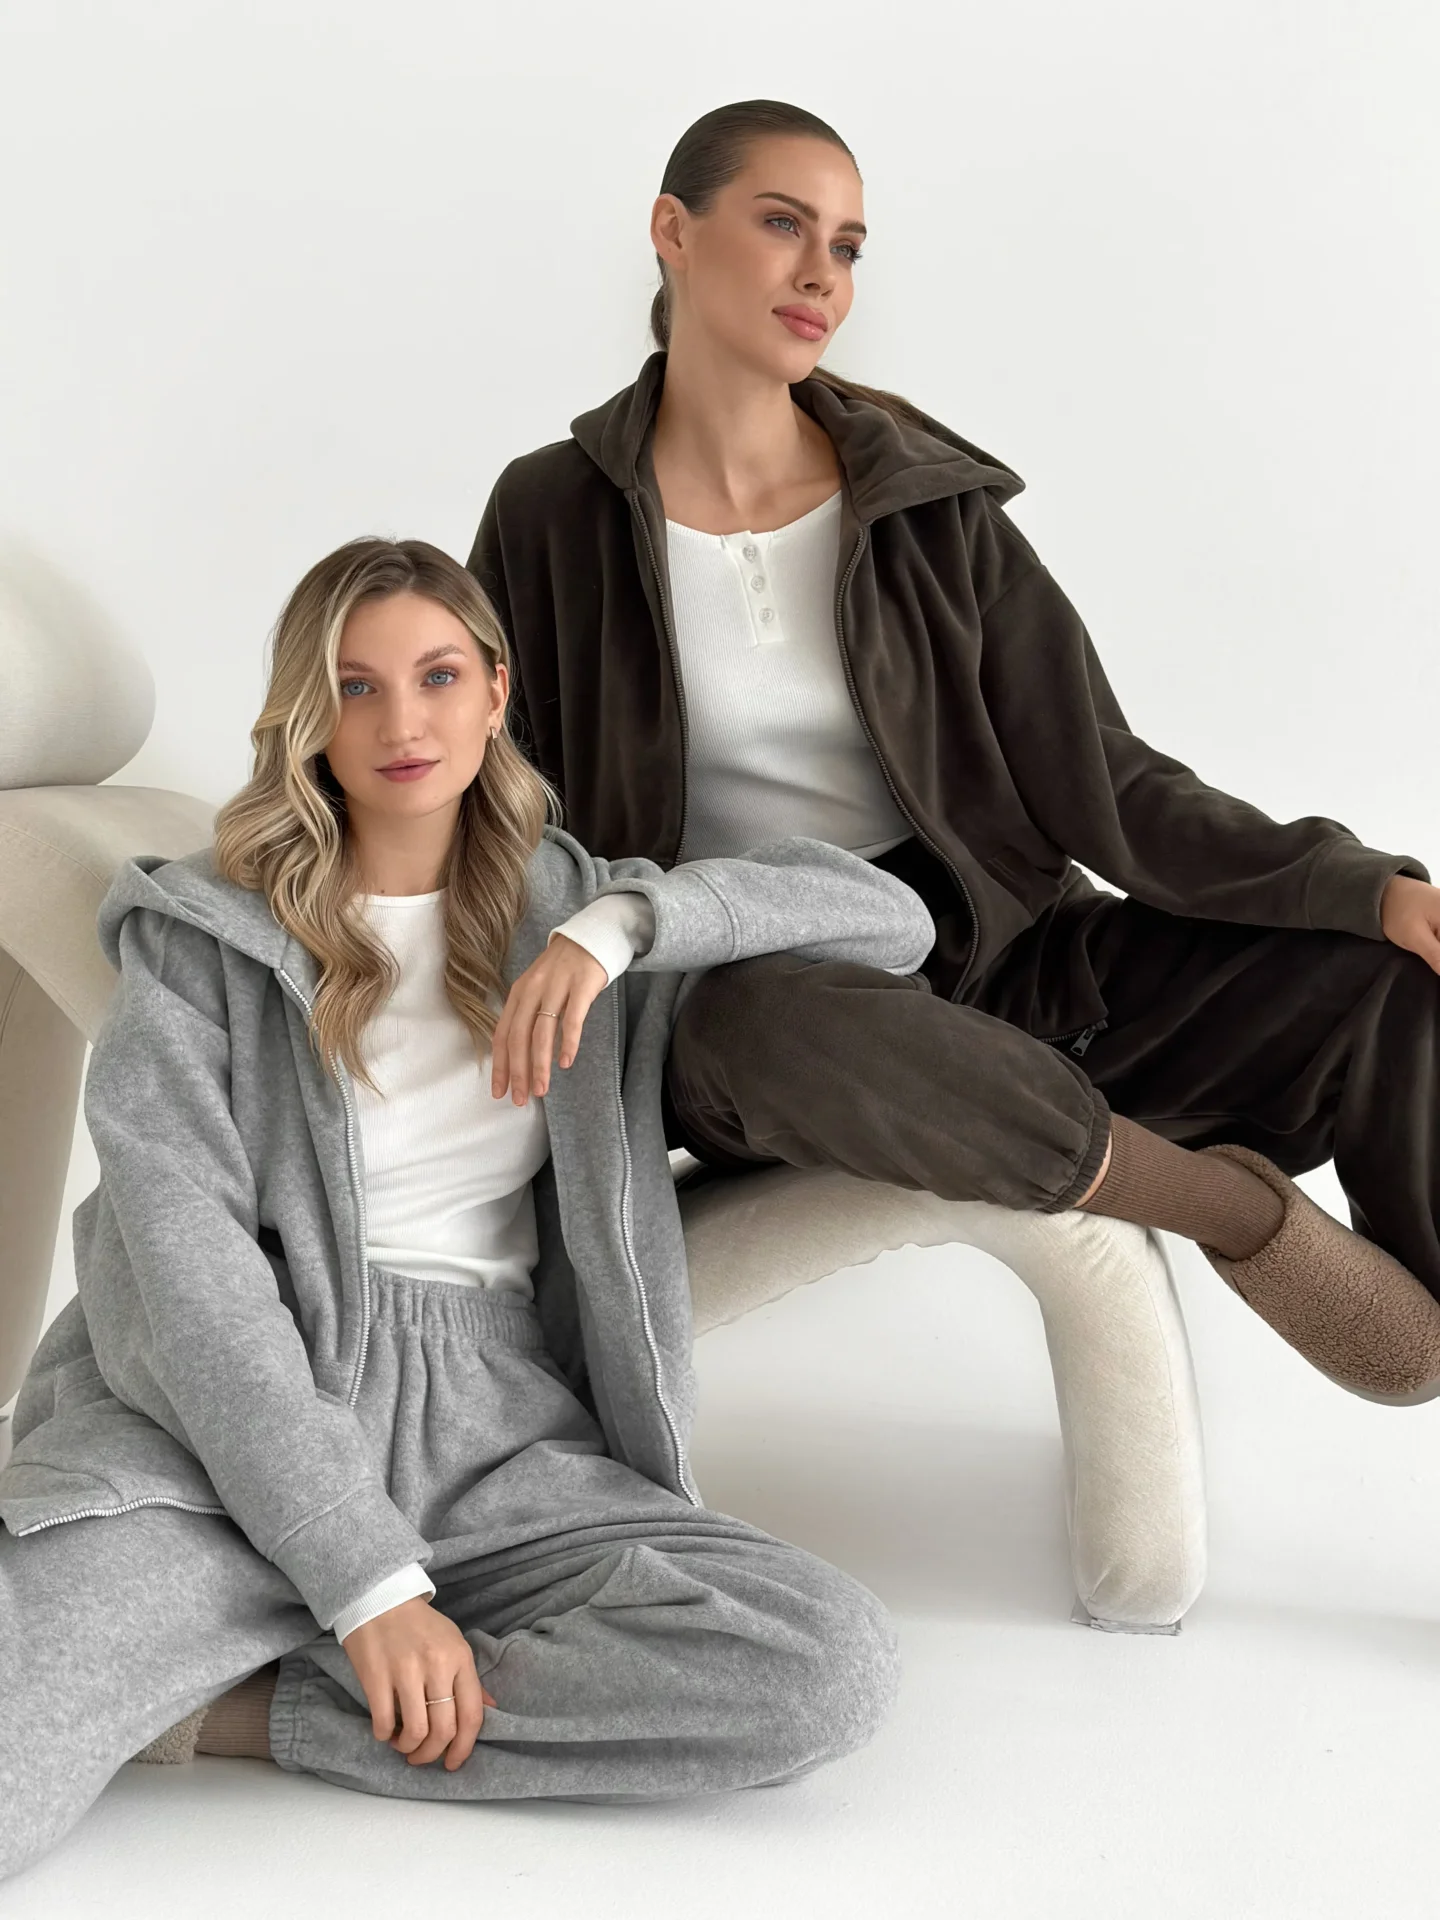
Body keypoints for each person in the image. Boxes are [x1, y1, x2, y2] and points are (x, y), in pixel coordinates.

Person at [469, 98, 1440, 1405]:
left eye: (848, 246)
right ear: (673, 232)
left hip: (997, 973)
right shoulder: (551, 514)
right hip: (741, 1003)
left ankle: (1421, 1324)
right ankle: (1226, 1208)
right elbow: (492, 793)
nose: (823, 274)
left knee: (1385, 975)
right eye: (782, 224)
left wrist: (1360, 889)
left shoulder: (927, 510)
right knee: (776, 1014)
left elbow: (1106, 774)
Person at [0, 535, 938, 1880]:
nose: (402, 722)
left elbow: (891, 920)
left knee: (823, 1664)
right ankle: (295, 1633)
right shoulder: (197, 937)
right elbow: (193, 1287)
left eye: (437, 676)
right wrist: (367, 1581)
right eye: (357, 687)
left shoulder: (575, 912)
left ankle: (246, 1705)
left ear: (496, 692)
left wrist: (622, 929)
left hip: (496, 1441)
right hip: (216, 1434)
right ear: (310, 716)